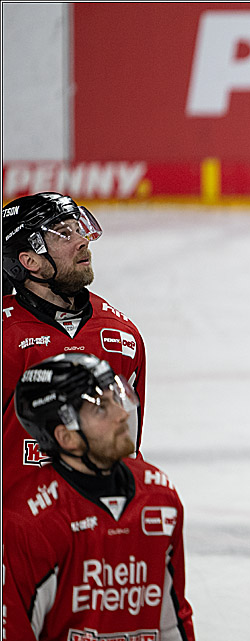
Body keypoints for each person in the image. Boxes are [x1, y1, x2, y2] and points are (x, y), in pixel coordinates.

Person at [2, 353, 217, 641]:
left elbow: (168, 610)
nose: (121, 414)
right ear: (67, 437)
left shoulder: (158, 496)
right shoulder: (28, 519)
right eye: (100, 408)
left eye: (116, 398)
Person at [3, 192, 147, 500]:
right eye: (64, 234)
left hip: (99, 526)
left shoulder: (121, 337)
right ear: (30, 261)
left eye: (78, 229)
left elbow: (128, 447)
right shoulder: (6, 338)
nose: (82, 241)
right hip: (19, 531)